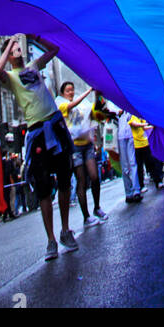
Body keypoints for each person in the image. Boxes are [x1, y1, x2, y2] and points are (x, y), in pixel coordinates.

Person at [0, 36, 77, 261]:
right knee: (43, 187)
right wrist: (8, 44)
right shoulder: (10, 77)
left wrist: (33, 36)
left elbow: (55, 49)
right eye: (14, 49)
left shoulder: (33, 66)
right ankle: (51, 239)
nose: (19, 50)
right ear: (9, 53)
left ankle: (65, 230)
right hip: (37, 131)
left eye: (20, 47)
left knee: (63, 179)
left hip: (55, 122)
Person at [57, 81, 108, 227]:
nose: (71, 93)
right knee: (81, 180)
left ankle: (97, 207)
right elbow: (70, 106)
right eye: (68, 91)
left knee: (94, 176)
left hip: (87, 145)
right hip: (74, 147)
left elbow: (95, 112)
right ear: (62, 93)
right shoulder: (60, 104)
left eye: (72, 90)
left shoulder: (83, 104)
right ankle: (86, 216)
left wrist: (98, 96)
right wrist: (88, 91)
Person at [130, 114, 164, 186]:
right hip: (137, 146)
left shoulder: (140, 117)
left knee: (151, 163)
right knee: (139, 166)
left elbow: (144, 128)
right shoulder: (131, 117)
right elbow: (134, 124)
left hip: (145, 143)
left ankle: (158, 181)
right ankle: (141, 185)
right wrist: (145, 124)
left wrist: (152, 126)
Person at [115, 109, 141, 203]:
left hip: (130, 134)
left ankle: (136, 190)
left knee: (132, 163)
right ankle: (128, 192)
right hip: (119, 136)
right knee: (125, 165)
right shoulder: (111, 103)